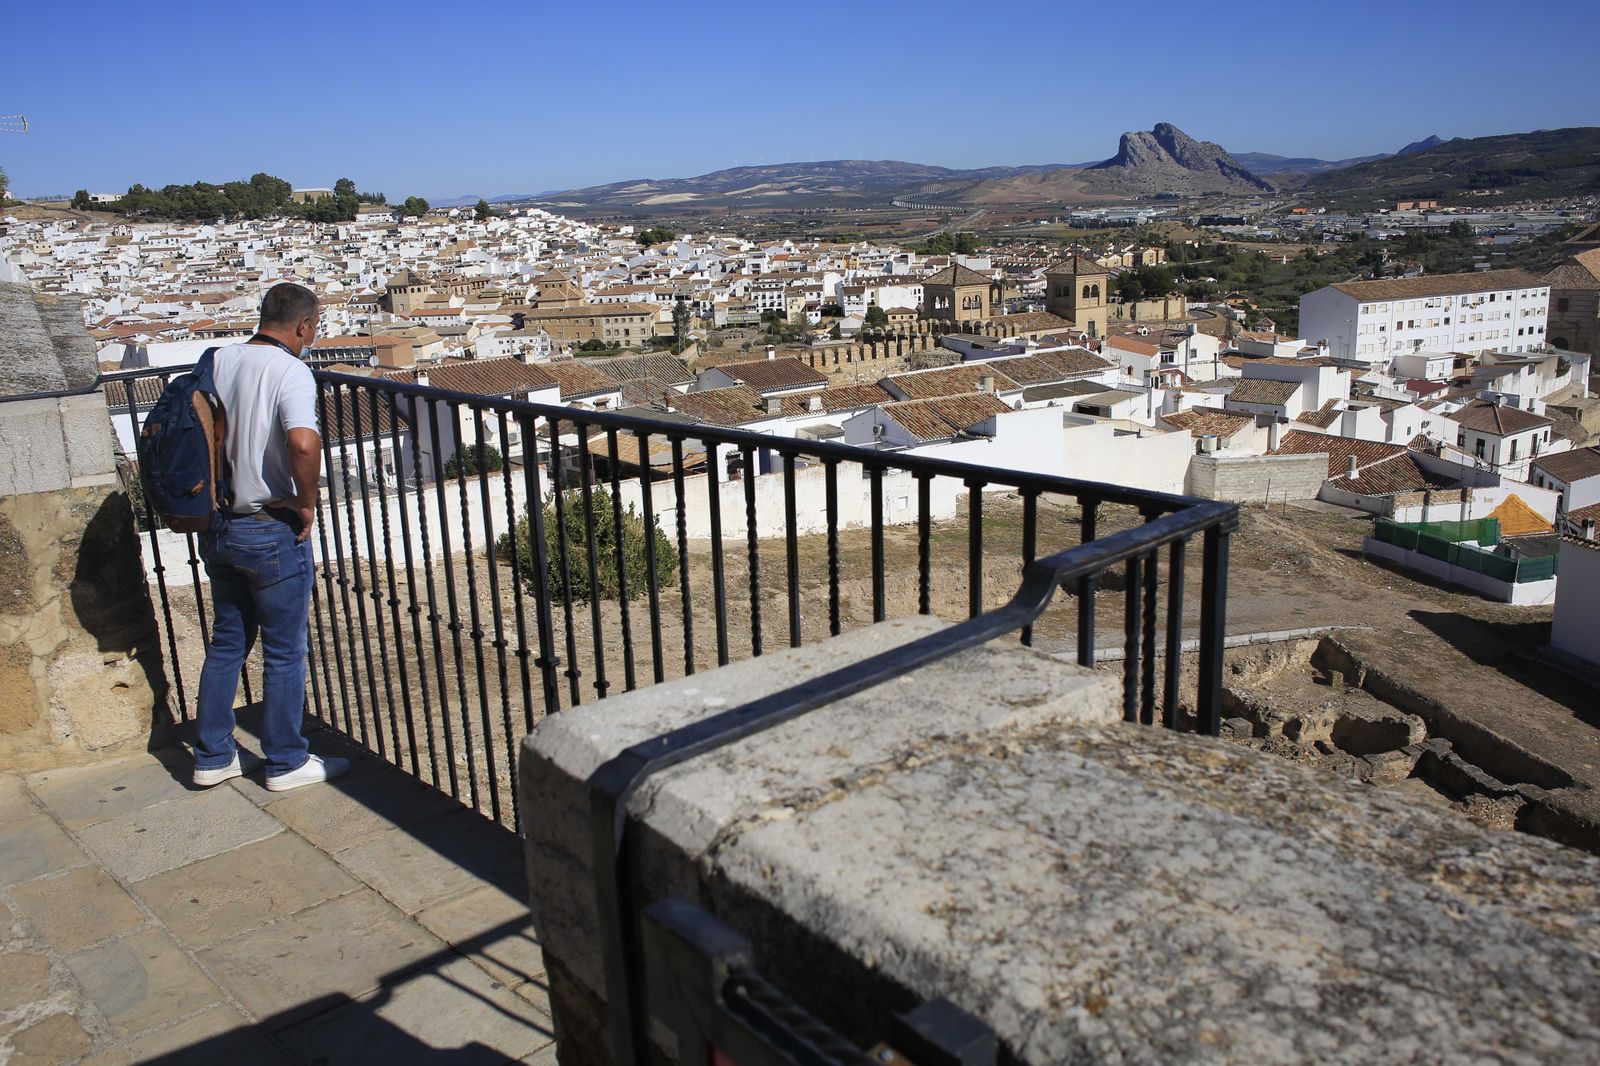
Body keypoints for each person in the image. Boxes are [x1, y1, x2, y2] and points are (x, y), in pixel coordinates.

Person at [191, 282, 349, 791]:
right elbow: (303, 442)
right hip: (268, 527)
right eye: (314, 328)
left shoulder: (218, 359)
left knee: (227, 644)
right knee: (284, 650)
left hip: (219, 523)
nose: (312, 337)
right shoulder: (291, 370)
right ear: (303, 325)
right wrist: (306, 503)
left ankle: (213, 755)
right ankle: (285, 760)